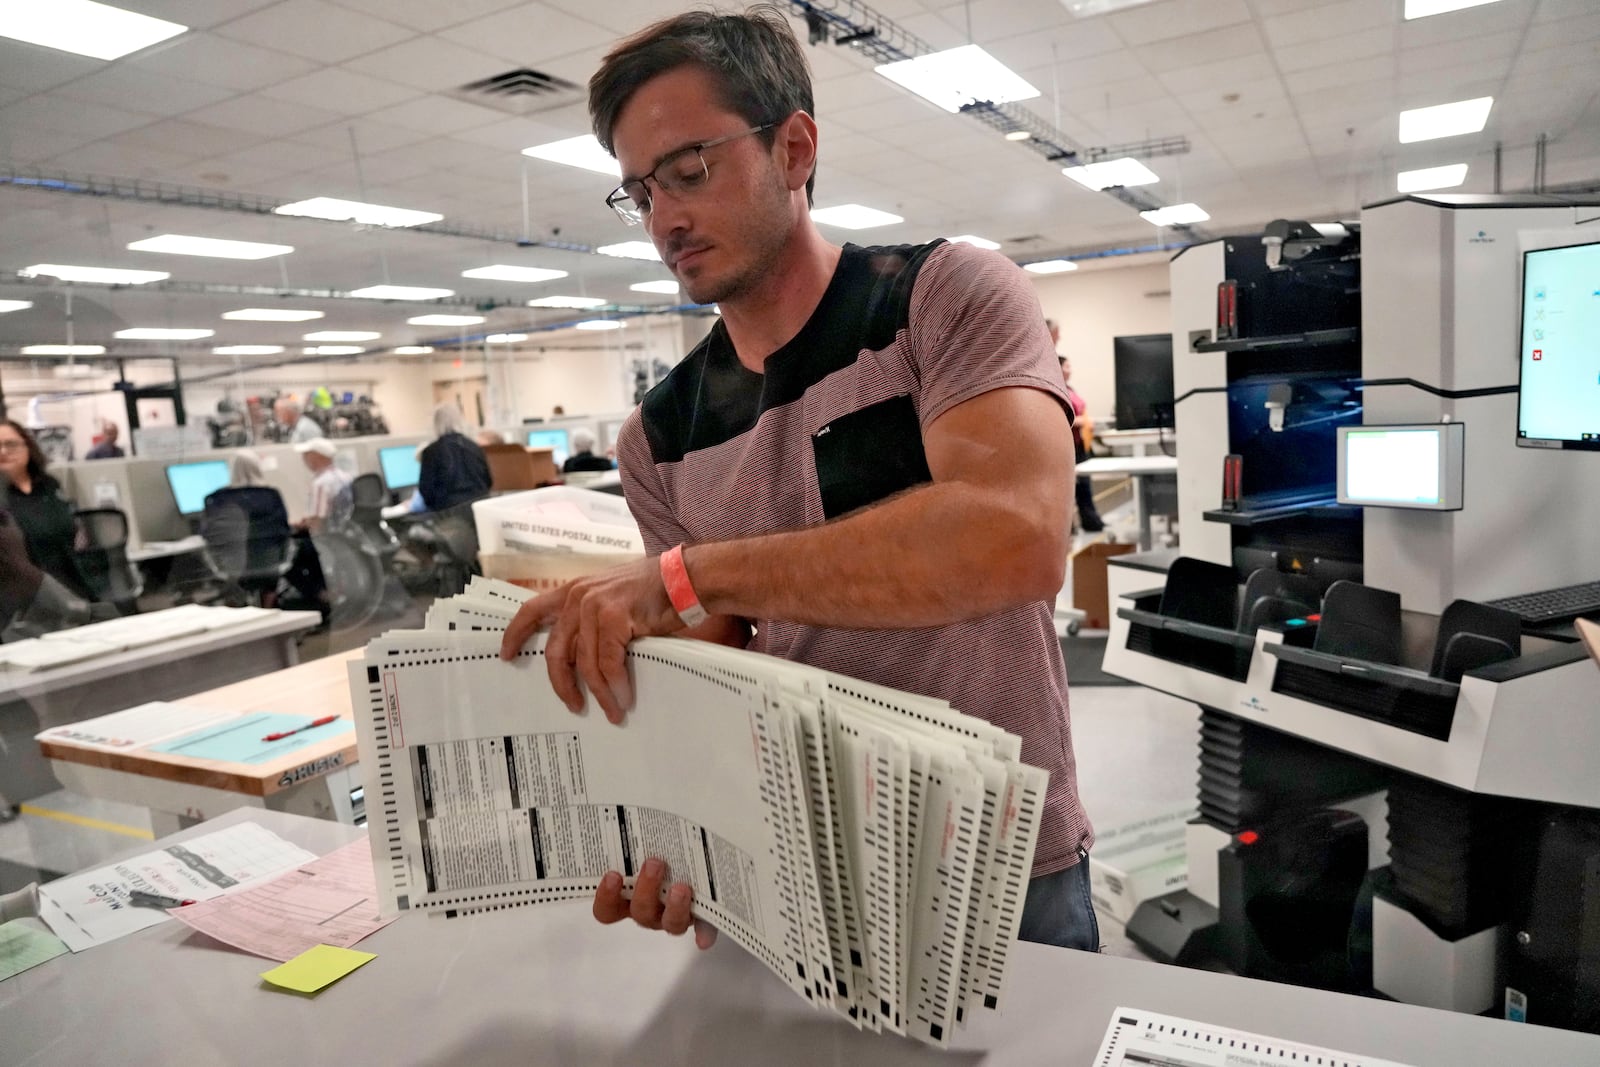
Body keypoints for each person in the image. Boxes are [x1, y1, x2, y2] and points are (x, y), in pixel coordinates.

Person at [500, 9, 1094, 954]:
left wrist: (683, 576)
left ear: (795, 147)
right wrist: (666, 823)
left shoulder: (940, 299)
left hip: (997, 867)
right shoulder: (656, 439)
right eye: (640, 192)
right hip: (792, 870)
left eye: (690, 169)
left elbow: (1013, 540)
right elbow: (717, 651)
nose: (666, 219)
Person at [0, 418, 94, 601]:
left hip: (71, 583)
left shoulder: (49, 485)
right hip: (26, 599)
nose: (3, 452)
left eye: (10, 444)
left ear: (27, 447)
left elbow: (71, 529)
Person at [201, 450, 292, 607]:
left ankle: (236, 608)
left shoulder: (216, 499)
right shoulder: (271, 495)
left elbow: (209, 534)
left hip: (232, 565)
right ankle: (269, 609)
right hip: (270, 565)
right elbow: (284, 530)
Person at [281, 438, 352, 627]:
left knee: (287, 561)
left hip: (326, 540)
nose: (305, 460)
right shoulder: (346, 477)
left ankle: (322, 596)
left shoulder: (321, 483)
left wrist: (299, 526)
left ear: (316, 457)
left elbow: (318, 522)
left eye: (307, 455)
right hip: (346, 538)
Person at [1049, 319, 1105, 533]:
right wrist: (1080, 421)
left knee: (1084, 487)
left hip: (1081, 443)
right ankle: (1070, 527)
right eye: (1066, 365)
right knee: (1070, 487)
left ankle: (1091, 521)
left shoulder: (1069, 387)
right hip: (1068, 443)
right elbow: (1062, 415)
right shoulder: (1057, 387)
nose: (1070, 369)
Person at [417, 403, 492, 511]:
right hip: (479, 508)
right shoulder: (474, 447)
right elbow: (488, 481)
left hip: (449, 513)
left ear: (436, 423)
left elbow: (426, 491)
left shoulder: (432, 451)